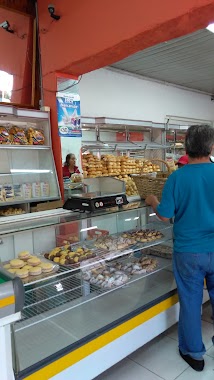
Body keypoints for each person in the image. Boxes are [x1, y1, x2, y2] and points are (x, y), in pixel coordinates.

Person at [145, 124, 214, 372]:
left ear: (186, 146)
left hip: (188, 252)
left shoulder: (177, 177)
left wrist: (153, 201)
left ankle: (194, 353)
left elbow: (165, 215)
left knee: (191, 301)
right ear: (211, 147)